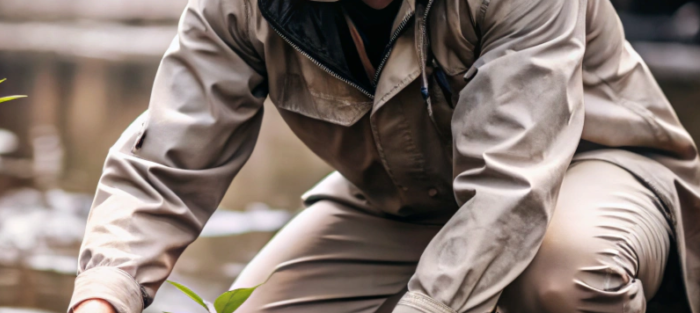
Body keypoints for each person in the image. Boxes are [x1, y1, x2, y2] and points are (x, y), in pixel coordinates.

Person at [70, 0, 700, 311]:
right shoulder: (238, 7)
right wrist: (103, 295)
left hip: (587, 168)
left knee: (564, 277)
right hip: (408, 195)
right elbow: (166, 162)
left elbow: (513, 190)